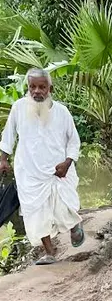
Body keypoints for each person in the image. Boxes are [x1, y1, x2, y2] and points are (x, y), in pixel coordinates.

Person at [0, 68, 84, 264]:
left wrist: (67, 162)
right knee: (35, 211)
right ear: (28, 88)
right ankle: (49, 251)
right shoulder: (19, 108)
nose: (37, 91)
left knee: (65, 204)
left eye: (41, 87)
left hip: (58, 170)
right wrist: (3, 159)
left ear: (50, 88)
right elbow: (8, 136)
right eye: (32, 87)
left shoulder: (62, 112)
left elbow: (74, 141)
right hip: (28, 171)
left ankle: (74, 227)